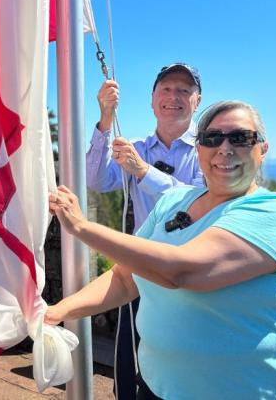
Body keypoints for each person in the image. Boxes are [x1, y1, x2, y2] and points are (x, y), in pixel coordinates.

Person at [48, 100, 276, 399]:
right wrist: (57, 312)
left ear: (262, 149)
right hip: (158, 386)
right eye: (212, 138)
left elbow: (184, 271)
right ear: (199, 149)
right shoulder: (175, 201)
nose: (224, 148)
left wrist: (82, 227)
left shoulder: (274, 212)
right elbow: (123, 278)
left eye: (240, 138)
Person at [87, 63, 205, 399]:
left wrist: (142, 171)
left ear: (196, 102)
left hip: (188, 273)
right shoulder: (136, 145)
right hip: (139, 272)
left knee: (182, 363)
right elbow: (95, 180)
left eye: (184, 90)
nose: (174, 97)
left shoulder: (208, 149)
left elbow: (193, 205)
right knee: (131, 358)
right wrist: (105, 120)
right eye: (166, 89)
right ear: (152, 101)